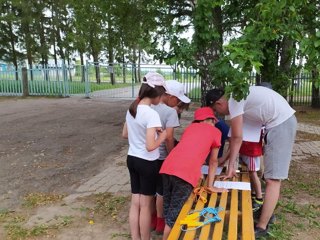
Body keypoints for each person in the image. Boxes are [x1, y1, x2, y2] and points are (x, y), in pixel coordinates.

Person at [205, 86, 297, 238]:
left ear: (219, 103)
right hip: (276, 123)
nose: (219, 114)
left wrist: (229, 166)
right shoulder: (241, 100)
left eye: (216, 110)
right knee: (270, 177)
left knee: (273, 179)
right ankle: (267, 213)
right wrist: (229, 165)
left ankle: (262, 226)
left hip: (281, 124)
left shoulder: (234, 100)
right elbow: (237, 140)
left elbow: (236, 138)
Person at [159, 107, 228, 239]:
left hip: (166, 168)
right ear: (208, 120)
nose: (214, 124)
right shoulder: (215, 132)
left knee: (168, 207)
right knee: (175, 214)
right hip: (184, 175)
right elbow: (213, 162)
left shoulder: (190, 128)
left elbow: (190, 150)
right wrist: (210, 185)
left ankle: (166, 233)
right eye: (213, 121)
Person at [122, 72, 168, 240]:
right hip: (147, 162)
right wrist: (162, 136)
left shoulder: (132, 109)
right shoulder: (151, 114)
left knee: (136, 202)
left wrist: (146, 132)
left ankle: (136, 237)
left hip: (132, 159)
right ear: (156, 94)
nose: (162, 99)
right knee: (146, 205)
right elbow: (150, 146)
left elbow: (125, 134)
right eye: (162, 95)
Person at [151, 80, 191, 234]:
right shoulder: (169, 111)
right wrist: (172, 155)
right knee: (161, 191)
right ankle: (161, 222)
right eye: (178, 99)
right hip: (161, 156)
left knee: (150, 190)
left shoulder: (149, 106)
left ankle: (152, 219)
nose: (178, 103)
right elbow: (168, 138)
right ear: (169, 95)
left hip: (147, 155)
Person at [238, 130, 264, 212]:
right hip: (245, 150)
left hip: (251, 152)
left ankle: (259, 198)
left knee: (253, 173)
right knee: (251, 173)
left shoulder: (257, 122)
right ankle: (253, 193)